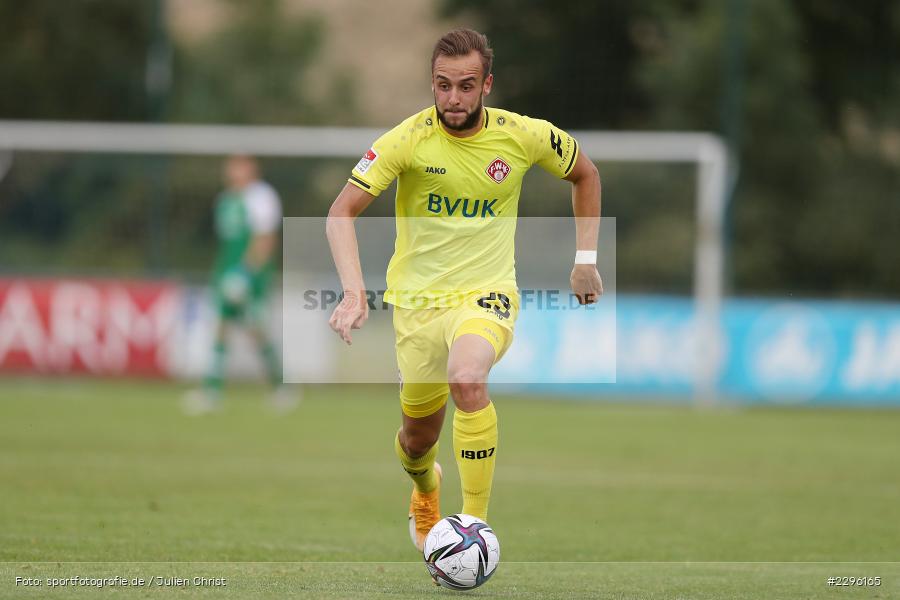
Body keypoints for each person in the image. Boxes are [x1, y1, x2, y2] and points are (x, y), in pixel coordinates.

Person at [326, 29, 602, 551]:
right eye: (443, 85)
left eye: (466, 86)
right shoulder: (406, 140)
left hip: (487, 293)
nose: (454, 99)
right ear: (432, 83)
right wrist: (353, 291)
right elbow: (341, 212)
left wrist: (585, 260)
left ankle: (473, 531)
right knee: (416, 442)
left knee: (468, 380)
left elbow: (585, 174)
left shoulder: (522, 135)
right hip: (417, 305)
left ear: (487, 86)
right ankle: (425, 488)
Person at [183, 154, 296, 414]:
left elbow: (265, 240)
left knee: (256, 328)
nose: (233, 172)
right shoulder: (225, 199)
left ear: (251, 169)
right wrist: (224, 272)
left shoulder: (261, 197)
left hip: (251, 275)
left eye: (239, 167)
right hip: (225, 272)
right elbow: (227, 243)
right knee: (220, 326)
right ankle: (212, 390)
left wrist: (245, 273)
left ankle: (281, 386)